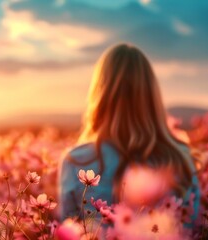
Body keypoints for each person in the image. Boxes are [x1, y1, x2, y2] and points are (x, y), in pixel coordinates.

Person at [58, 43, 200, 224]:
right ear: (151, 96)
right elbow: (190, 227)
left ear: (100, 93)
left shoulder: (76, 161)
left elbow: (69, 230)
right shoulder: (181, 157)